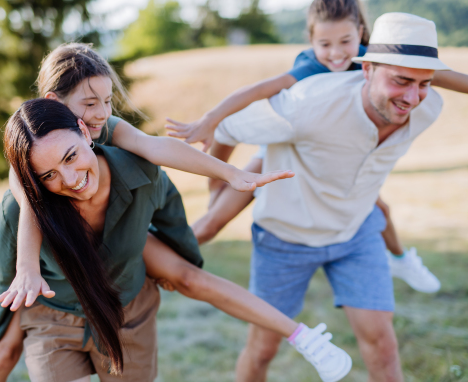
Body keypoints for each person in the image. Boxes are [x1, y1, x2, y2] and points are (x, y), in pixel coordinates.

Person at [0, 45, 350, 382]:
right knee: (5, 348)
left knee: (189, 276)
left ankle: (302, 336)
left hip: (124, 286)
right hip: (59, 308)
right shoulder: (32, 168)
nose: (101, 112)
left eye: (107, 101)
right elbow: (25, 197)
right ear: (57, 103)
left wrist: (232, 174)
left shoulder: (111, 134)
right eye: (90, 103)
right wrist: (27, 268)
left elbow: (160, 148)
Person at [172, 12, 459, 382]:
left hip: (356, 233)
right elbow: (224, 129)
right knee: (263, 350)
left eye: (424, 84)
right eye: (401, 81)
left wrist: (417, 83)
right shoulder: (304, 105)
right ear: (367, 68)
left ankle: (401, 258)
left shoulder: (428, 107)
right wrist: (216, 192)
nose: (412, 97)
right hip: (284, 238)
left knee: (384, 351)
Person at [167, 0, 468, 294]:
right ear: (311, 41)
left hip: (336, 157)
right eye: (324, 44)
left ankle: (401, 260)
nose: (336, 54)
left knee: (380, 209)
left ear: (360, 34)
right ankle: (152, 260)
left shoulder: (375, 58)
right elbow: (257, 92)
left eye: (345, 41)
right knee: (211, 223)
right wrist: (212, 142)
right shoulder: (311, 66)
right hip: (277, 147)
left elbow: (444, 77)